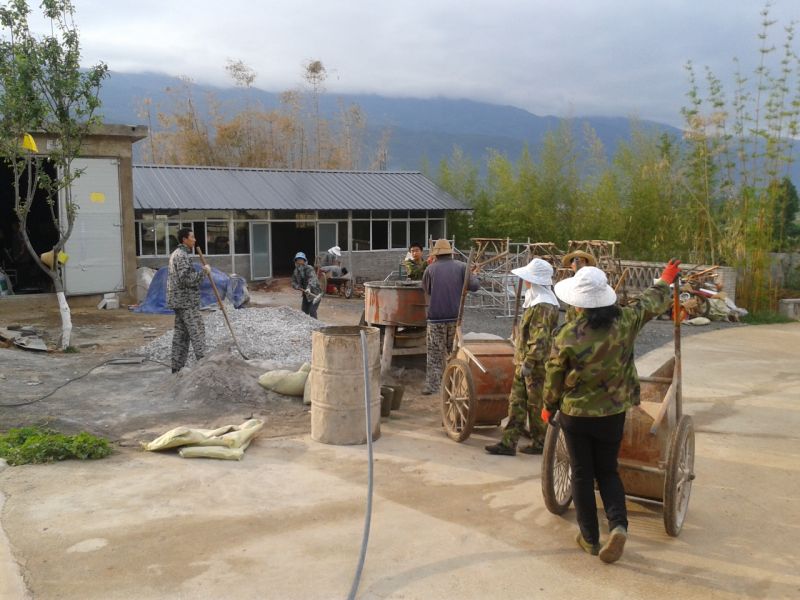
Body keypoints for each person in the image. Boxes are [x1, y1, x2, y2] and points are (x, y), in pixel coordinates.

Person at [541, 259, 681, 563]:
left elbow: (553, 376)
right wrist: (665, 279)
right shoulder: (625, 322)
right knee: (607, 470)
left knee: (581, 473)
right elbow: (649, 303)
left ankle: (589, 538)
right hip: (613, 413)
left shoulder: (567, 335)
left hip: (576, 415)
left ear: (578, 302)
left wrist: (548, 407)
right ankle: (618, 526)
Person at [485, 258, 559, 456]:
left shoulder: (544, 304)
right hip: (525, 361)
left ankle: (540, 442)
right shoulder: (536, 300)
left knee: (535, 404)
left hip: (535, 364)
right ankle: (509, 442)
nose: (525, 281)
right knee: (517, 402)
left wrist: (530, 361)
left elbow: (540, 338)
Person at [421, 239, 480, 395]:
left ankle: (433, 387)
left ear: (436, 254)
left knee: (434, 354)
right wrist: (474, 275)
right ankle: (456, 385)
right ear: (450, 252)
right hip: (455, 318)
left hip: (435, 318)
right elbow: (474, 286)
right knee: (455, 353)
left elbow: (427, 289)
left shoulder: (430, 269)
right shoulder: (462, 267)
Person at [167, 228, 211, 373]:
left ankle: (176, 368)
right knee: (197, 331)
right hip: (186, 302)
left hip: (179, 301)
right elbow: (186, 279)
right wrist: (204, 272)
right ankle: (204, 366)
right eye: (192, 237)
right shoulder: (181, 255)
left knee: (181, 335)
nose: (194, 240)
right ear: (184, 239)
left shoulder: (177, 254)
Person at [562, 250, 598, 322]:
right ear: (571, 265)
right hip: (572, 317)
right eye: (575, 261)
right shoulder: (569, 283)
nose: (579, 263)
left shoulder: (592, 280)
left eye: (582, 261)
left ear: (586, 264)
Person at [291, 251, 323, 319]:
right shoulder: (296, 271)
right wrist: (297, 286)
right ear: (295, 261)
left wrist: (309, 288)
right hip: (306, 294)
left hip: (315, 293)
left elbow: (312, 279)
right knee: (304, 313)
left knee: (312, 311)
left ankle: (315, 324)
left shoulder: (309, 268)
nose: (299, 262)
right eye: (298, 260)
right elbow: (293, 282)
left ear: (304, 261)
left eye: (301, 260)